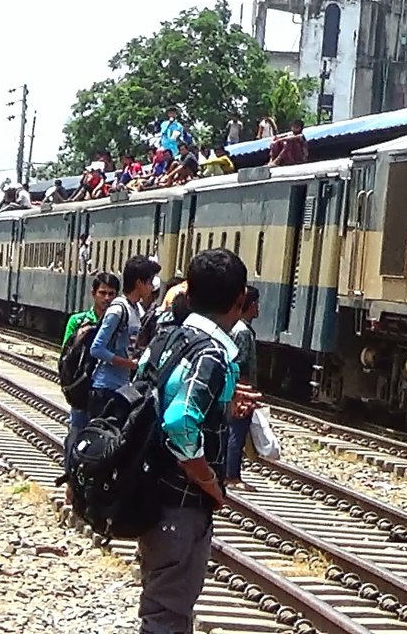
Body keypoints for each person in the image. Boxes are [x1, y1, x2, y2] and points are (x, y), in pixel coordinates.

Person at [135, 248, 261, 632]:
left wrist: (221, 403)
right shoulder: (211, 353)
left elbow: (151, 393)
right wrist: (207, 480)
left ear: (188, 294)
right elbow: (179, 421)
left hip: (151, 491)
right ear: (239, 300)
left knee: (162, 607)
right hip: (180, 503)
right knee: (168, 615)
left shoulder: (168, 337)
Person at [62, 272, 120, 470]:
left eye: (111, 294)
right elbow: (66, 358)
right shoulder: (77, 321)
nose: (107, 298)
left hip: (105, 389)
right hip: (82, 389)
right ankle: (70, 476)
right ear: (93, 293)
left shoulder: (119, 322)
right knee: (77, 431)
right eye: (102, 293)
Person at [88, 256, 161, 415]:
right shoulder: (118, 310)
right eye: (149, 282)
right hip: (105, 388)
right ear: (139, 283)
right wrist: (130, 364)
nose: (151, 287)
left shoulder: (135, 308)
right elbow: (96, 349)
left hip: (121, 387)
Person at [224, 286, 260, 490]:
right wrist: (246, 394)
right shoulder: (244, 332)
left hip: (233, 387)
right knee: (237, 431)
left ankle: (228, 474)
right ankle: (232, 476)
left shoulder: (234, 327)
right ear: (252, 305)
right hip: (241, 389)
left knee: (232, 431)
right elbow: (242, 363)